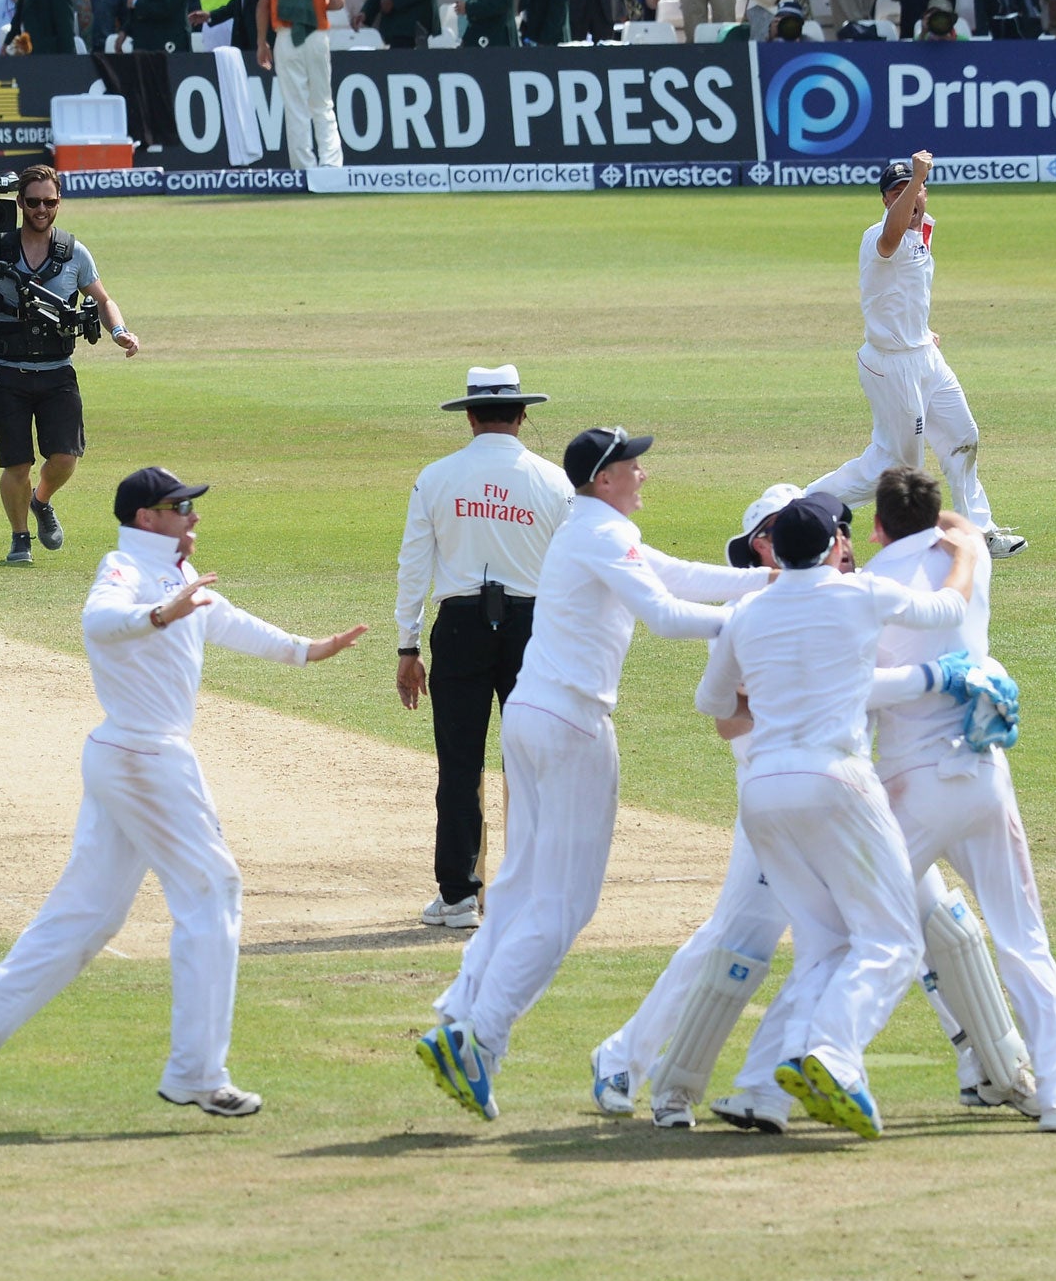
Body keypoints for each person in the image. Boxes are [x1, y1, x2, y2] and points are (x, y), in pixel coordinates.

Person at [0, 467, 368, 1118]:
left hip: (130, 757)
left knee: (91, 912)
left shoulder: (179, 577)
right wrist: (160, 614)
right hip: (143, 755)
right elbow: (100, 622)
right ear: (145, 517)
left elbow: (229, 622)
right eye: (179, 507)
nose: (192, 517)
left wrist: (308, 650)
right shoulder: (124, 570)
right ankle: (196, 1072)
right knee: (212, 889)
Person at [590, 483, 1023, 1130]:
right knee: (745, 944)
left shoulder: (841, 596)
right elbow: (725, 722)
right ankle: (642, 1067)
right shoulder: (753, 607)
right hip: (789, 802)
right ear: (757, 545)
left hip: (844, 796)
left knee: (929, 924)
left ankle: (993, 1069)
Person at [417, 427, 769, 1121]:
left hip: (534, 714)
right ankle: (478, 1039)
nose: (643, 475)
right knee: (565, 906)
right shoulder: (601, 534)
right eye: (633, 467)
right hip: (573, 724)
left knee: (519, 886)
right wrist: (762, 619)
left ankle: (457, 1014)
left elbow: (675, 573)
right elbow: (667, 616)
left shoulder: (595, 527)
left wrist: (770, 581)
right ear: (604, 478)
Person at [692, 493, 978, 1139]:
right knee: (893, 941)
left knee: (825, 943)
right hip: (836, 781)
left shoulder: (749, 612)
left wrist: (777, 689)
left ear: (776, 553)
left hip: (763, 789)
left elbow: (715, 702)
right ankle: (832, 1057)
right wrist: (965, 554)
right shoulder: (861, 594)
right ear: (831, 548)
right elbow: (947, 607)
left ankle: (763, 1090)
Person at [866, 468, 1056, 1133]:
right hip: (982, 777)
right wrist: (948, 527)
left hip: (909, 787)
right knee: (1024, 938)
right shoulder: (970, 563)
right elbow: (959, 527)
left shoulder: (870, 586)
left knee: (853, 926)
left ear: (877, 524)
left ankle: (815, 1061)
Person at [394, 367, 573, 931]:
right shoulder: (555, 481)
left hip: (460, 627)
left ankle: (458, 897)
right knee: (533, 762)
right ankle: (532, 893)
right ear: (522, 415)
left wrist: (407, 646)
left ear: (469, 416)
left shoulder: (436, 477)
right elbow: (572, 571)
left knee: (460, 762)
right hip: (536, 628)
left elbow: (413, 566)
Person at [807, 154, 1025, 557]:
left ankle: (978, 531)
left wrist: (922, 331)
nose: (909, 197)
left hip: (924, 356)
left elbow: (906, 290)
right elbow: (892, 242)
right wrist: (917, 176)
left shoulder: (923, 230)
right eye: (897, 192)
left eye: (915, 189)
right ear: (887, 201)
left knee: (963, 437)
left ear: (925, 194)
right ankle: (808, 506)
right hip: (890, 365)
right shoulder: (878, 237)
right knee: (897, 468)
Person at [0, 166, 141, 565]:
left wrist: (120, 331)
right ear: (19, 202)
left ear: (59, 203)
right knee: (16, 463)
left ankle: (42, 500)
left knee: (65, 457)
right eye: (33, 201)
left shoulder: (74, 252)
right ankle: (19, 536)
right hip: (6, 370)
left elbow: (104, 299)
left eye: (49, 202)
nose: (41, 209)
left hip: (56, 371)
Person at [255, 0, 344, 167]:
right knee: (323, 103)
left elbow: (263, 2)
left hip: (285, 36)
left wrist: (262, 41)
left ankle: (304, 166)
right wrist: (314, 3)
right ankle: (331, 164)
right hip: (316, 35)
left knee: (296, 106)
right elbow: (338, 2)